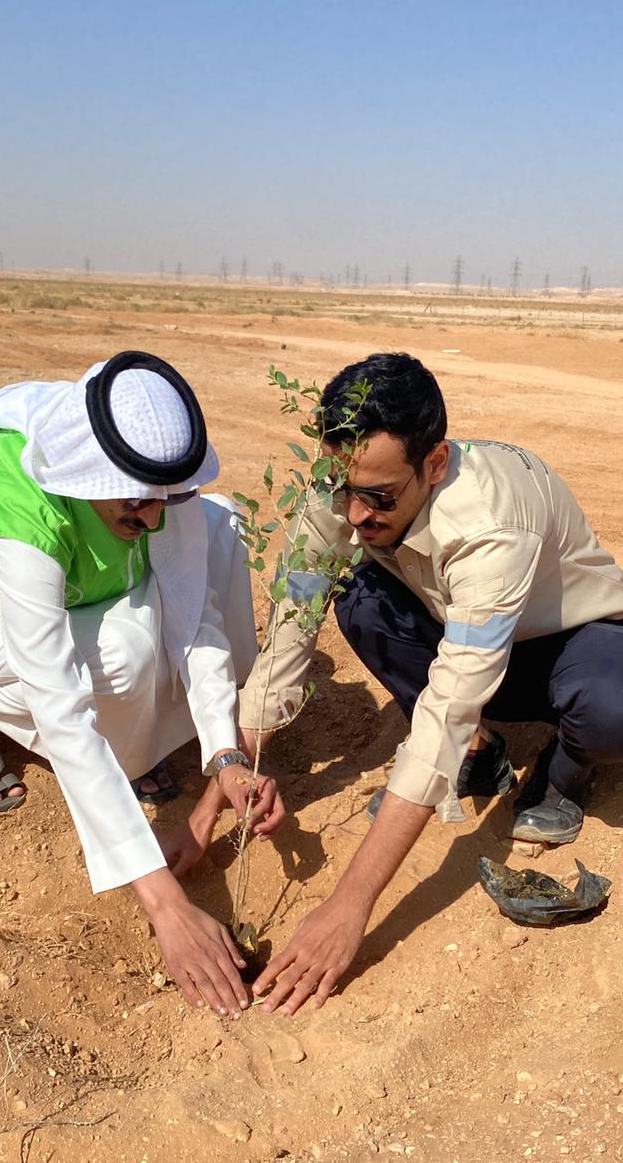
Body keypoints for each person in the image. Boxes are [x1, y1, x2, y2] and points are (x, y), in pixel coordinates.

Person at [227, 351, 623, 1015]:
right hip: (461, 631)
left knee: (612, 704)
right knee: (357, 596)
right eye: (341, 489)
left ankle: (561, 776)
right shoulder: (345, 488)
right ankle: (482, 756)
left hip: (564, 644)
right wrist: (230, 765)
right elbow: (294, 619)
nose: (355, 513)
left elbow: (450, 706)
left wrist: (349, 906)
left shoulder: (490, 524)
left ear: (435, 464)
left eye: (379, 497)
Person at [0, 350, 285, 1017]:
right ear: (87, 475)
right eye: (136, 504)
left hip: (80, 598)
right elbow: (60, 705)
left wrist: (225, 754)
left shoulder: (150, 475)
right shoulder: (13, 505)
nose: (155, 518)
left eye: (166, 500)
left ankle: (139, 743)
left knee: (220, 527)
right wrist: (167, 905)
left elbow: (195, 614)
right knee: (123, 650)